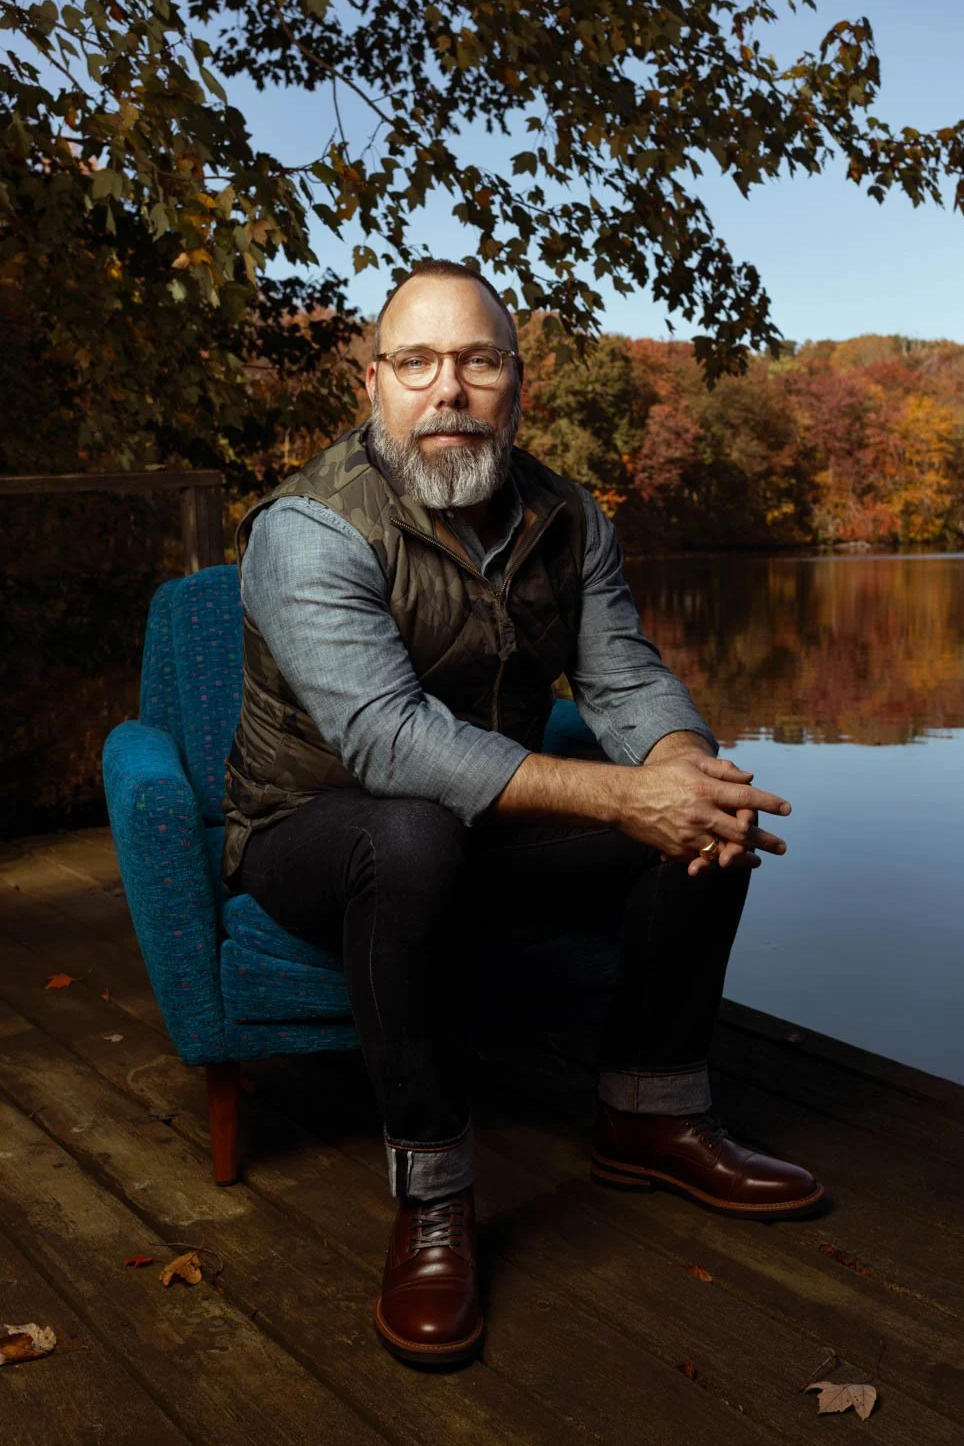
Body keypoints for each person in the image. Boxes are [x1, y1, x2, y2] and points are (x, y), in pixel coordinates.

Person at [221, 258, 824, 1370]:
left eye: (478, 361)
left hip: (479, 828)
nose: (447, 388)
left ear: (517, 386)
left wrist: (686, 773)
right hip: (314, 830)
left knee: (710, 810)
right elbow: (388, 744)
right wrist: (624, 794)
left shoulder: (567, 514)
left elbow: (627, 681)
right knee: (410, 831)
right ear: (374, 386)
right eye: (417, 362)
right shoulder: (306, 530)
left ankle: (650, 1110)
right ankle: (436, 1195)